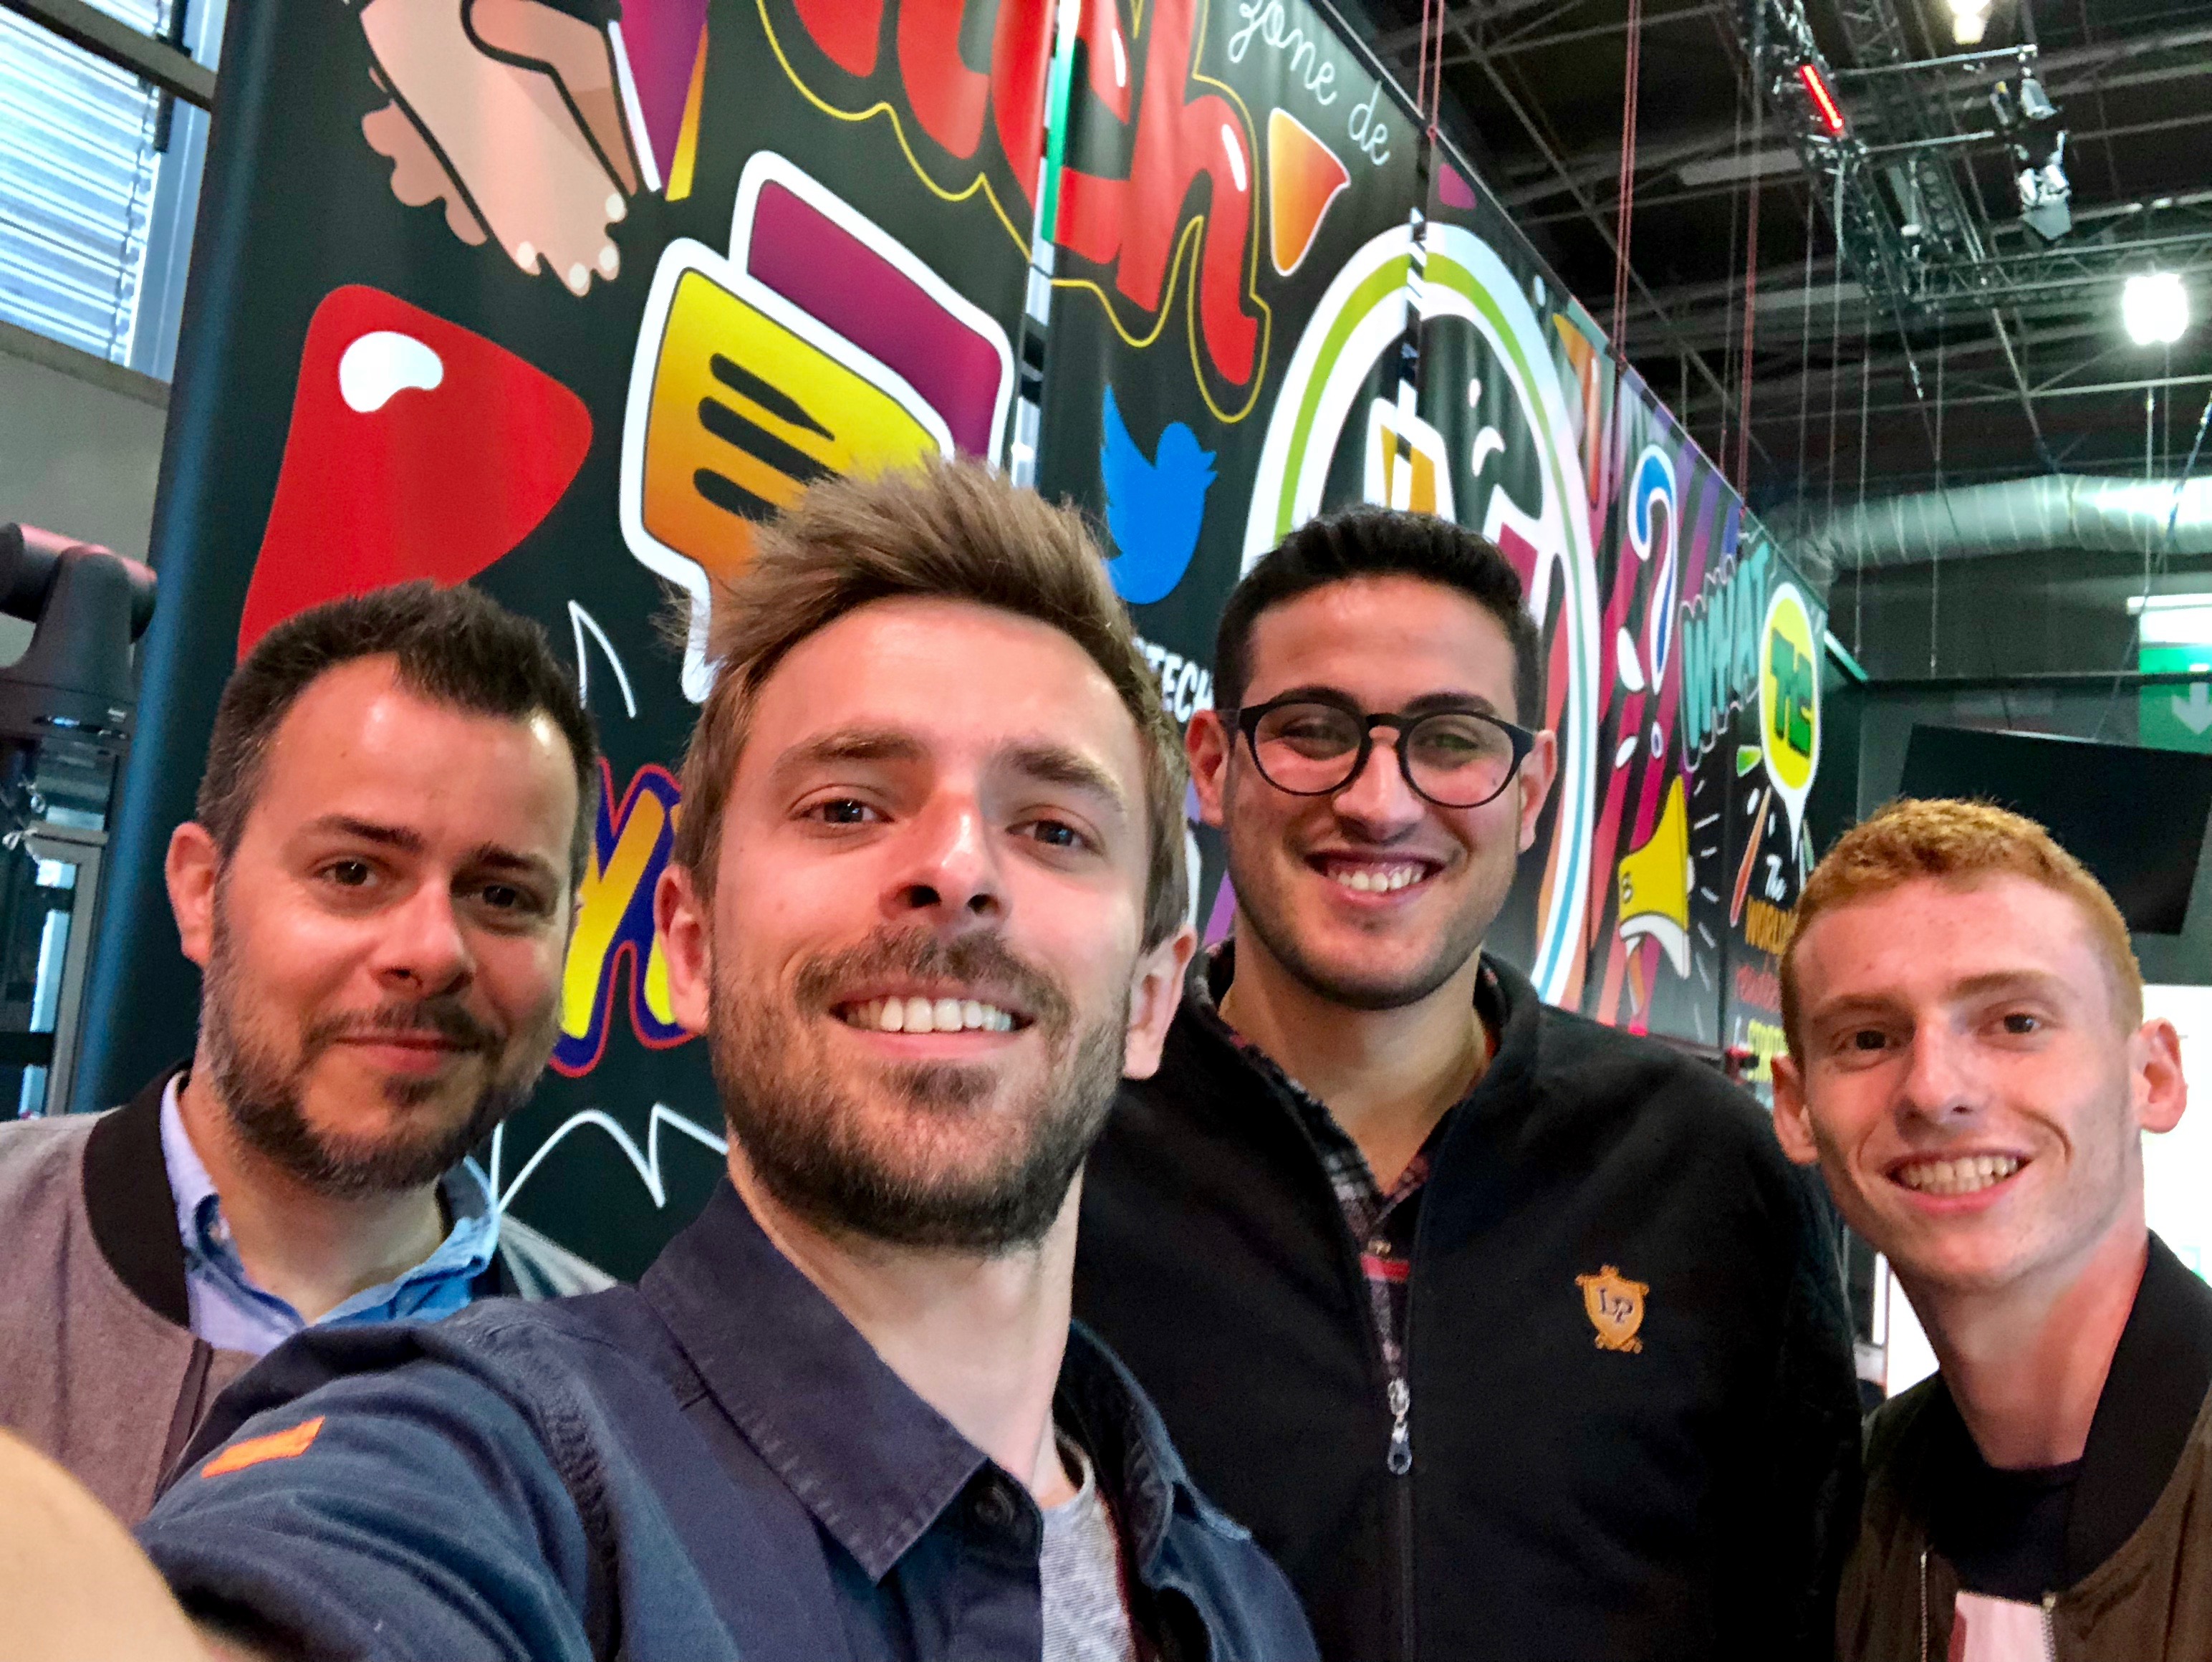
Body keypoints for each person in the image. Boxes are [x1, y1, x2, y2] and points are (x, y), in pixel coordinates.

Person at [121, 461, 1317, 1661]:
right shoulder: (479, 1470)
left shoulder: (1244, 1605)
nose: (958, 868)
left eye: (1053, 827)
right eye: (848, 807)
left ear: (1151, 998)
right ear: (690, 949)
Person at [1073, 506, 1864, 1662]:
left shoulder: (1704, 1172)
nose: (1379, 801)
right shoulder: (1064, 1156)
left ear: (1529, 789)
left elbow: (1809, 1615)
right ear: (1210, 765)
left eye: (1449, 740)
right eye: (1312, 730)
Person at [0, 581, 610, 1523]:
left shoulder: (626, 1404)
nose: (431, 952)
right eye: (353, 872)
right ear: (201, 892)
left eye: (502, 895)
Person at [1772, 798, 2211, 1660]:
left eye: (2016, 1022)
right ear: (1796, 1109)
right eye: (1868, 1037)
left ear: (2152, 1077)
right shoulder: (1846, 1518)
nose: (1934, 1090)